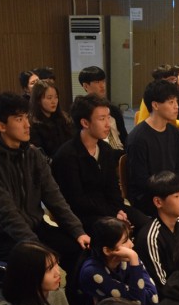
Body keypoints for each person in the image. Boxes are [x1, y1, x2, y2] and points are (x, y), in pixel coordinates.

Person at [0, 92, 90, 305]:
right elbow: (6, 215)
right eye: (19, 119)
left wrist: (77, 230)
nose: (27, 124)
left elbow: (54, 196)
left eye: (26, 117)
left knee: (79, 250)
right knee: (40, 265)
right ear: (1, 125)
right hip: (4, 237)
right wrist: (38, 249)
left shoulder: (33, 154)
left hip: (37, 227)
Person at [53, 94, 147, 235]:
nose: (108, 124)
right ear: (85, 123)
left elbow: (113, 188)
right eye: (102, 119)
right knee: (117, 233)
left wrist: (118, 210)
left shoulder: (105, 149)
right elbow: (77, 200)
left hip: (109, 209)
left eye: (108, 117)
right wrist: (112, 214)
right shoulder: (67, 156)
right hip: (83, 216)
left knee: (146, 225)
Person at [77, 217, 158, 305]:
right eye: (125, 241)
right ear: (107, 250)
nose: (131, 245)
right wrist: (134, 258)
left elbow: (153, 300)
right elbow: (137, 303)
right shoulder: (91, 272)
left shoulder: (126, 259)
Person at [126, 79, 179, 214]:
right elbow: (141, 180)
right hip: (149, 197)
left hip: (171, 192)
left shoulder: (174, 132)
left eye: (176, 101)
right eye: (171, 102)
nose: (177, 106)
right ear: (155, 105)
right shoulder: (138, 138)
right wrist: (172, 195)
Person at [134, 171, 179, 292]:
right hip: (169, 295)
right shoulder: (150, 237)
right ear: (158, 202)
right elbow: (161, 284)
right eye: (176, 196)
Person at [79, 66, 127, 150]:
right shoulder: (81, 111)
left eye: (103, 81)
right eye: (97, 82)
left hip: (119, 151)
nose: (102, 85)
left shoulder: (113, 109)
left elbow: (124, 136)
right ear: (86, 86)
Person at [29, 80, 74, 158]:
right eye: (49, 98)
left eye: (56, 97)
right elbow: (39, 155)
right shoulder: (34, 125)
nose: (54, 101)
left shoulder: (63, 118)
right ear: (38, 100)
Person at [135, 64, 179, 130]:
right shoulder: (151, 97)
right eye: (171, 80)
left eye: (174, 80)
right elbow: (142, 124)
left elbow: (172, 123)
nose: (173, 83)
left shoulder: (170, 95)